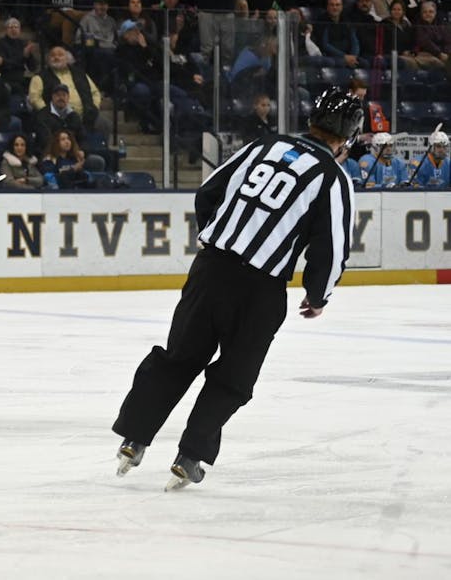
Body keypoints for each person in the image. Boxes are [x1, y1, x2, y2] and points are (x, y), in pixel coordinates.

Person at [113, 88, 361, 490]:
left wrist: (218, 238)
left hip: (210, 270)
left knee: (178, 358)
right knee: (234, 377)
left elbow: (208, 191)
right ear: (347, 137)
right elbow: (331, 248)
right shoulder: (333, 177)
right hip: (260, 291)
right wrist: (318, 296)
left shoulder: (265, 145)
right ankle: (191, 454)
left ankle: (135, 437)